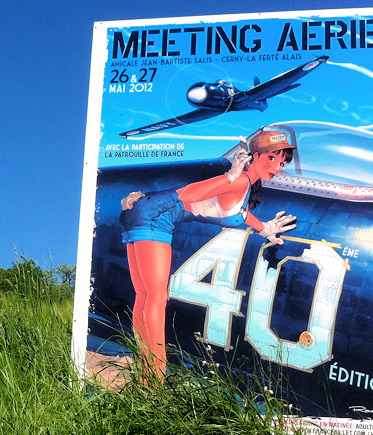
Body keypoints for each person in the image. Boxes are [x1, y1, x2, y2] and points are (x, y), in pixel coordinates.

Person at [119, 127, 298, 379]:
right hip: (155, 216)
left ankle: (144, 366)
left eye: (282, 162)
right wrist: (229, 175)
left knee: (145, 294)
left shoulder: (244, 186)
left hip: (144, 211)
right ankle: (155, 379)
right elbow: (186, 194)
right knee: (157, 297)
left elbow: (239, 214)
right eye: (271, 158)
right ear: (255, 157)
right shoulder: (239, 181)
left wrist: (264, 228)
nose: (277, 166)